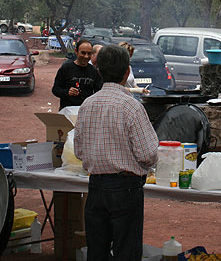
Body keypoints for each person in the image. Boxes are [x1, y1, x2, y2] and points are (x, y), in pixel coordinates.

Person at [74, 45, 159, 261]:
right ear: (127, 72)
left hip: (96, 186)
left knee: (97, 251)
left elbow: (79, 151)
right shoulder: (131, 106)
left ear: (99, 70)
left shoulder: (87, 105)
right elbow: (148, 154)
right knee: (126, 252)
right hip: (125, 188)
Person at [52, 39, 103, 110]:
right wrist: (67, 92)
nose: (86, 56)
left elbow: (99, 92)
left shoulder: (94, 71)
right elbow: (55, 89)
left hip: (86, 111)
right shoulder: (66, 68)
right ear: (76, 51)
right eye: (83, 53)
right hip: (67, 110)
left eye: (89, 53)